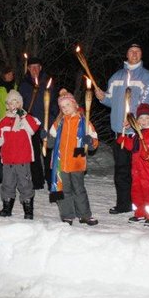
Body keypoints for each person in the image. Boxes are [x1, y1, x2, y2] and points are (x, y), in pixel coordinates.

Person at [95, 43, 149, 215]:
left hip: (138, 133)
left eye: (138, 51)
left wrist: (134, 120)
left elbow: (146, 103)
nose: (134, 54)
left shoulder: (148, 77)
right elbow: (110, 100)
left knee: (139, 172)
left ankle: (141, 205)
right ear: (127, 54)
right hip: (119, 132)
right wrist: (102, 97)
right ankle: (124, 204)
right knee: (121, 171)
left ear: (141, 55)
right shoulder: (116, 77)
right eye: (131, 51)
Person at [47, 90, 99, 226]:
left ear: (75, 104)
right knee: (64, 190)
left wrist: (90, 141)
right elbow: (50, 142)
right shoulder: (59, 122)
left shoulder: (84, 122)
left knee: (79, 189)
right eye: (62, 107)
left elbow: (94, 141)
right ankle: (67, 215)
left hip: (77, 160)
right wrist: (46, 136)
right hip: (61, 161)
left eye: (68, 105)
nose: (65, 109)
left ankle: (84, 215)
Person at [0, 90, 40, 219]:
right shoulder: (2, 121)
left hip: (23, 158)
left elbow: (32, 130)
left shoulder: (27, 118)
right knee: (7, 183)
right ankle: (7, 207)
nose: (14, 105)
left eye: (17, 102)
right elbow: (0, 140)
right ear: (7, 105)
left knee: (25, 184)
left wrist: (23, 116)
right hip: (8, 159)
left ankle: (28, 209)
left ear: (21, 104)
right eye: (11, 102)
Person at [117, 103, 149, 226]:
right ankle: (140, 213)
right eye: (141, 118)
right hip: (137, 171)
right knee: (137, 193)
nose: (144, 121)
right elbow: (133, 146)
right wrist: (124, 139)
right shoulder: (137, 133)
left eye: (147, 118)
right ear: (137, 120)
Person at [18, 57, 58, 190]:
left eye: (37, 66)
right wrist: (23, 118)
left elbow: (54, 103)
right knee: (33, 152)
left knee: (48, 153)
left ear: (40, 68)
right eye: (31, 67)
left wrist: (51, 119)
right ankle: (37, 180)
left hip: (46, 123)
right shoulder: (24, 85)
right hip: (31, 124)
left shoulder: (48, 83)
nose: (34, 69)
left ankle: (50, 178)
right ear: (28, 69)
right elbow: (19, 104)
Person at [0, 65, 18, 184]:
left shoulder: (16, 88)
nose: (10, 76)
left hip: (15, 122)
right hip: (3, 121)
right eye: (8, 74)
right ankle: (0, 175)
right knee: (3, 148)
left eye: (12, 74)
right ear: (3, 75)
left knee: (14, 149)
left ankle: (13, 174)